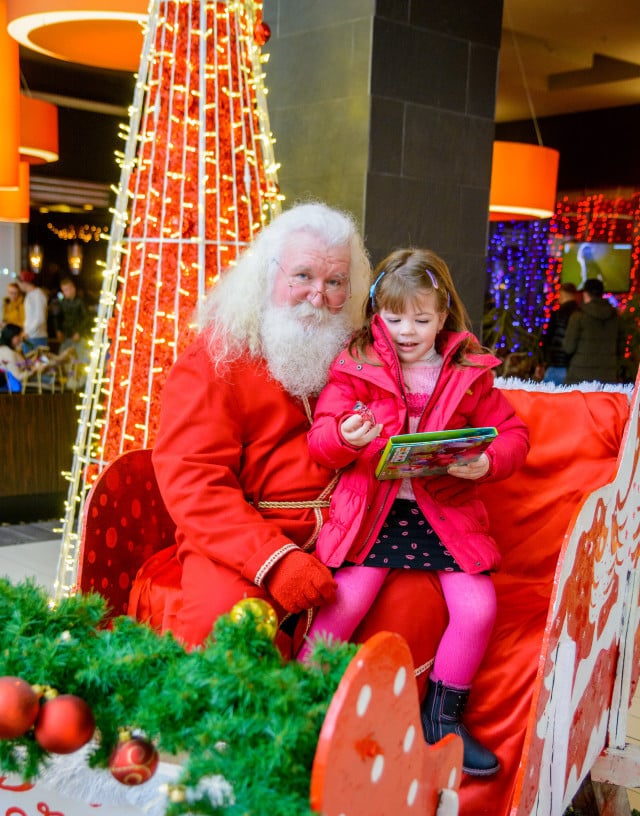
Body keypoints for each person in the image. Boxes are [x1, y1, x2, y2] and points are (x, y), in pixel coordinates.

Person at [152, 202, 449, 656]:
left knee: (417, 604)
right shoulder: (215, 358)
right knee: (230, 626)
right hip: (243, 541)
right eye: (303, 276)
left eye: (334, 283)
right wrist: (273, 561)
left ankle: (366, 727)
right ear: (266, 275)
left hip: (349, 535)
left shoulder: (359, 353)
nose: (318, 296)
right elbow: (194, 481)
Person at [302, 249, 530, 776]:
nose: (407, 331)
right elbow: (320, 440)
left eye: (421, 319)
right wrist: (342, 437)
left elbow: (514, 435)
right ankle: (300, 700)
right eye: (394, 317)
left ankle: (443, 718)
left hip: (444, 512)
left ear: (444, 315)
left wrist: (486, 460)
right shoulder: (356, 364)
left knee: (477, 610)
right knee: (345, 601)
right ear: (376, 313)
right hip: (373, 514)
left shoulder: (470, 371)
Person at [562, 277, 627, 385]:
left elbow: (568, 347)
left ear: (585, 294)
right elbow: (621, 349)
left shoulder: (578, 316)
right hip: (607, 377)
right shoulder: (616, 317)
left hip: (579, 376)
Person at [540, 282, 578, 385]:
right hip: (575, 365)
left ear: (563, 294)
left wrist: (544, 360)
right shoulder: (581, 313)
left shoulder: (557, 314)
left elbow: (548, 338)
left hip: (556, 364)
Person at [16, 270, 49, 349]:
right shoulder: (30, 295)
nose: (19, 285)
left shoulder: (38, 295)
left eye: (19, 283)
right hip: (30, 336)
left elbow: (40, 318)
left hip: (36, 337)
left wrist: (28, 332)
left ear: (24, 282)